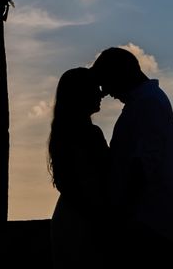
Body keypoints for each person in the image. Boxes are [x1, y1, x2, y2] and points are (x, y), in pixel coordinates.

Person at [91, 47, 173, 257]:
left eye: (107, 82)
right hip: (141, 220)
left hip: (143, 222)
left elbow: (143, 165)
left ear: (121, 74)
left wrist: (121, 212)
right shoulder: (145, 102)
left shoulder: (148, 103)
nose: (107, 92)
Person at [48, 67, 110, 267]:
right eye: (95, 88)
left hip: (71, 217)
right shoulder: (89, 134)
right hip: (85, 220)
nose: (101, 93)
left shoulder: (64, 133)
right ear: (81, 94)